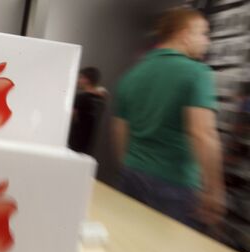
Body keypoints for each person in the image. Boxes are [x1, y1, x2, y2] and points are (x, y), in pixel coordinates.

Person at [113, 7, 225, 229]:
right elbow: (203, 133)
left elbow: (119, 131)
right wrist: (215, 189)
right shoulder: (197, 73)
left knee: (132, 247)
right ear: (184, 34)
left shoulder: (132, 74)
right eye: (203, 34)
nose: (207, 42)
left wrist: (129, 166)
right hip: (175, 186)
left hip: (132, 175)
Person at [68, 67, 106, 156]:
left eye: (80, 77)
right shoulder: (101, 98)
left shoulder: (81, 98)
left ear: (86, 80)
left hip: (74, 146)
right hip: (88, 147)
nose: (78, 80)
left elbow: (70, 119)